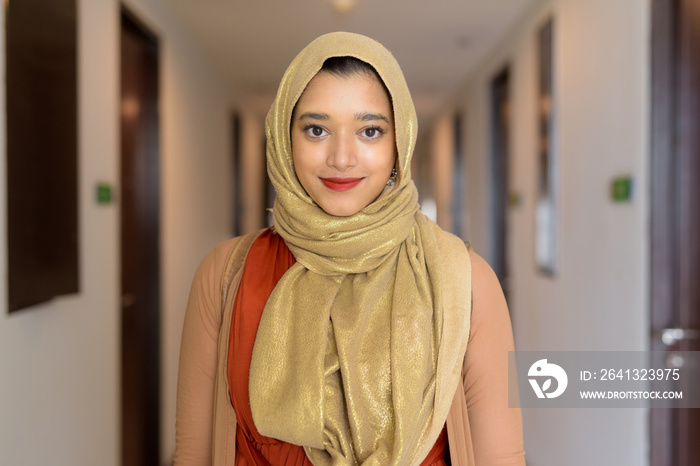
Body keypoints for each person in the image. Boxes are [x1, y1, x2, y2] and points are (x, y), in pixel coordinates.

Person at [174, 32, 525, 465]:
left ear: (400, 145)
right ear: (286, 141)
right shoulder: (225, 274)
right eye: (317, 129)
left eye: (370, 131)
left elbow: (502, 457)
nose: (342, 157)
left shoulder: (464, 280)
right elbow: (194, 452)